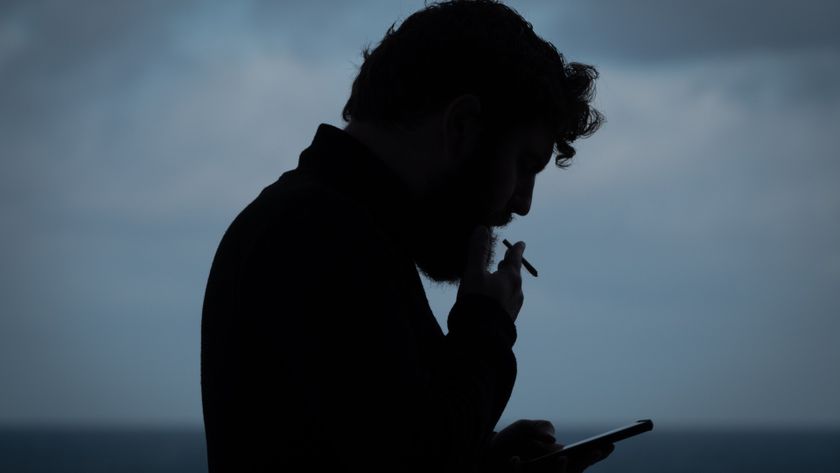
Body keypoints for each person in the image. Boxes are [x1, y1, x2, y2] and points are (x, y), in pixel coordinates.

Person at [201, 1, 611, 471]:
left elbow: (365, 444)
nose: (523, 203)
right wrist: (486, 330)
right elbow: (414, 457)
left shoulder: (327, 224)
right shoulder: (320, 236)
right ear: (461, 126)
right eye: (524, 164)